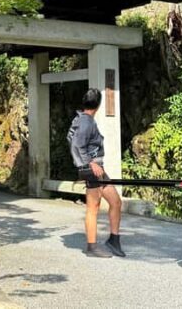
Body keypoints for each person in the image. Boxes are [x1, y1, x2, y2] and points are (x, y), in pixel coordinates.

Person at [67, 88, 124, 258]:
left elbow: (71, 139)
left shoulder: (82, 119)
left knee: (115, 201)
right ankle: (92, 246)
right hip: (92, 169)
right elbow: (76, 145)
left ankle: (114, 240)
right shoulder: (85, 122)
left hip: (97, 169)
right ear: (98, 105)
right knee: (93, 206)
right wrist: (90, 163)